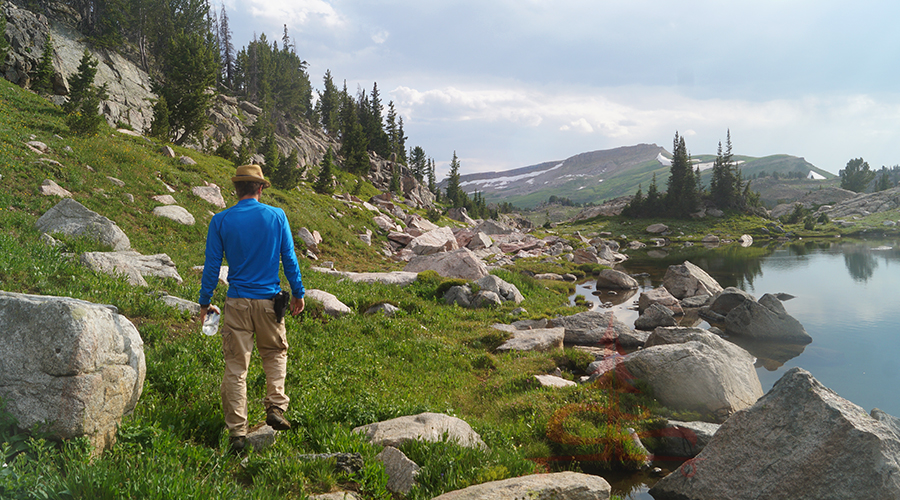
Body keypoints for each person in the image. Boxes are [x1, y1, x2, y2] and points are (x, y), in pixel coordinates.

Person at [198, 164, 305, 454]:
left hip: (236, 303)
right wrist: (298, 293)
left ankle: (237, 434)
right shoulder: (277, 216)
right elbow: (289, 258)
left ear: (237, 189)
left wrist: (205, 302)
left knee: (236, 366)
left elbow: (211, 266)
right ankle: (276, 407)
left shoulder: (220, 220)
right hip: (270, 301)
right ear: (260, 188)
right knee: (274, 353)